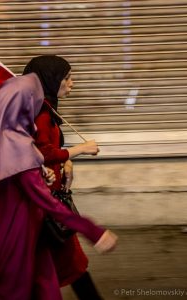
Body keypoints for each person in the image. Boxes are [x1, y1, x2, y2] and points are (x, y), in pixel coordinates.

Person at [0, 73, 117, 300]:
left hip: (25, 238)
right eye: (33, 102)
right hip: (18, 244)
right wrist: (93, 232)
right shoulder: (18, 149)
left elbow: (20, 177)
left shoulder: (1, 141)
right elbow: (49, 204)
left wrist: (39, 171)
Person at [23, 55, 108, 300]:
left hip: (50, 201)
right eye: (67, 78)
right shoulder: (40, 112)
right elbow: (42, 151)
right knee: (68, 264)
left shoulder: (46, 108)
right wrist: (80, 150)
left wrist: (66, 162)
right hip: (44, 206)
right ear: (50, 80)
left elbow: (51, 147)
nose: (71, 83)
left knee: (56, 266)